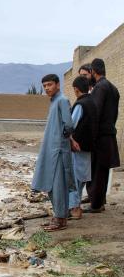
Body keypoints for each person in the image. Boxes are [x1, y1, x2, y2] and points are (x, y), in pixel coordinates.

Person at [32, 74, 75, 231]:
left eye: (49, 85)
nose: (46, 88)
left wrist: (61, 140)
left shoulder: (62, 100)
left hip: (57, 150)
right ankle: (59, 216)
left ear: (58, 84)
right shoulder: (54, 101)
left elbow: (69, 125)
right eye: (44, 86)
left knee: (58, 186)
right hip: (52, 149)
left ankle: (60, 218)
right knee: (52, 185)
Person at [85, 58, 120, 213]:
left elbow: (95, 113)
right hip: (109, 134)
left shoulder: (100, 88)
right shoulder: (113, 88)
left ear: (93, 71)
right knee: (102, 171)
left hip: (100, 137)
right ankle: (99, 201)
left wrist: (89, 135)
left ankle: (96, 205)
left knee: (97, 171)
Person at [68, 76, 97, 220]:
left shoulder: (80, 105)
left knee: (75, 179)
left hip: (78, 147)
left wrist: (71, 139)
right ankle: (75, 205)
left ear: (76, 89)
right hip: (88, 148)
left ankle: (75, 208)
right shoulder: (92, 102)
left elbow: (71, 125)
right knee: (81, 178)